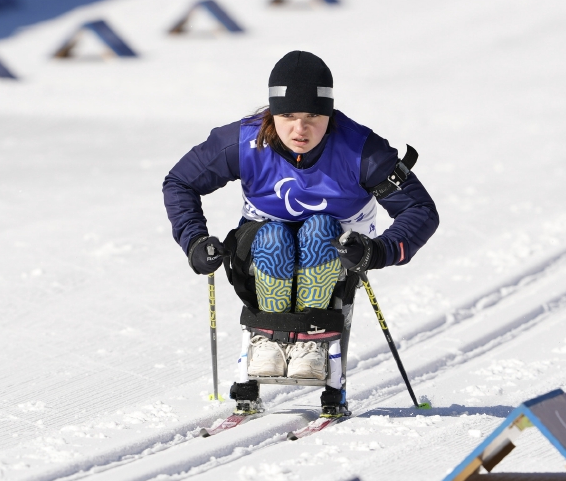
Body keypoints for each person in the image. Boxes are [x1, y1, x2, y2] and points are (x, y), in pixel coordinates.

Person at [162, 50, 438, 413]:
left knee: (319, 229)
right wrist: (194, 240)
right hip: (263, 246)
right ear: (272, 112)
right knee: (274, 234)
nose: (300, 129)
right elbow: (180, 181)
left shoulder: (361, 150)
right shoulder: (244, 143)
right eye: (288, 116)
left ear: (330, 113)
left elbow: (419, 210)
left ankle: (313, 340)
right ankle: (269, 339)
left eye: (313, 116)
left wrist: (379, 250)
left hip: (337, 250)